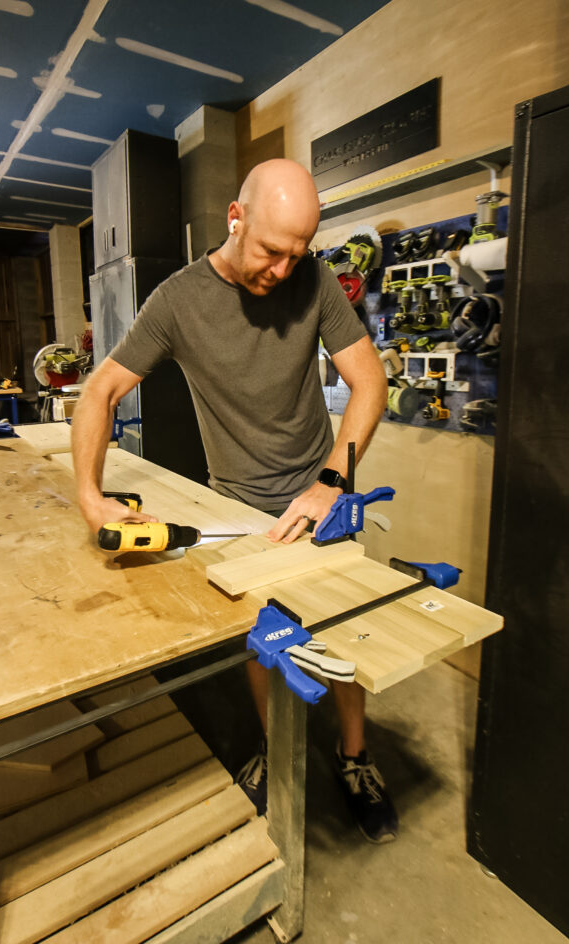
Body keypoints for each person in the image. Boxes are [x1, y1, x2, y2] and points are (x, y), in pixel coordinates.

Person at [72, 158, 396, 843]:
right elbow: (98, 392)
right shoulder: (175, 302)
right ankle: (274, 750)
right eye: (270, 251)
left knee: (340, 628)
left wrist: (332, 478)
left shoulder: (313, 282)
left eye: (296, 254)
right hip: (236, 504)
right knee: (264, 642)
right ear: (234, 217)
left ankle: (354, 755)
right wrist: (88, 497)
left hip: (321, 490)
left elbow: (368, 382)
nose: (282, 270)